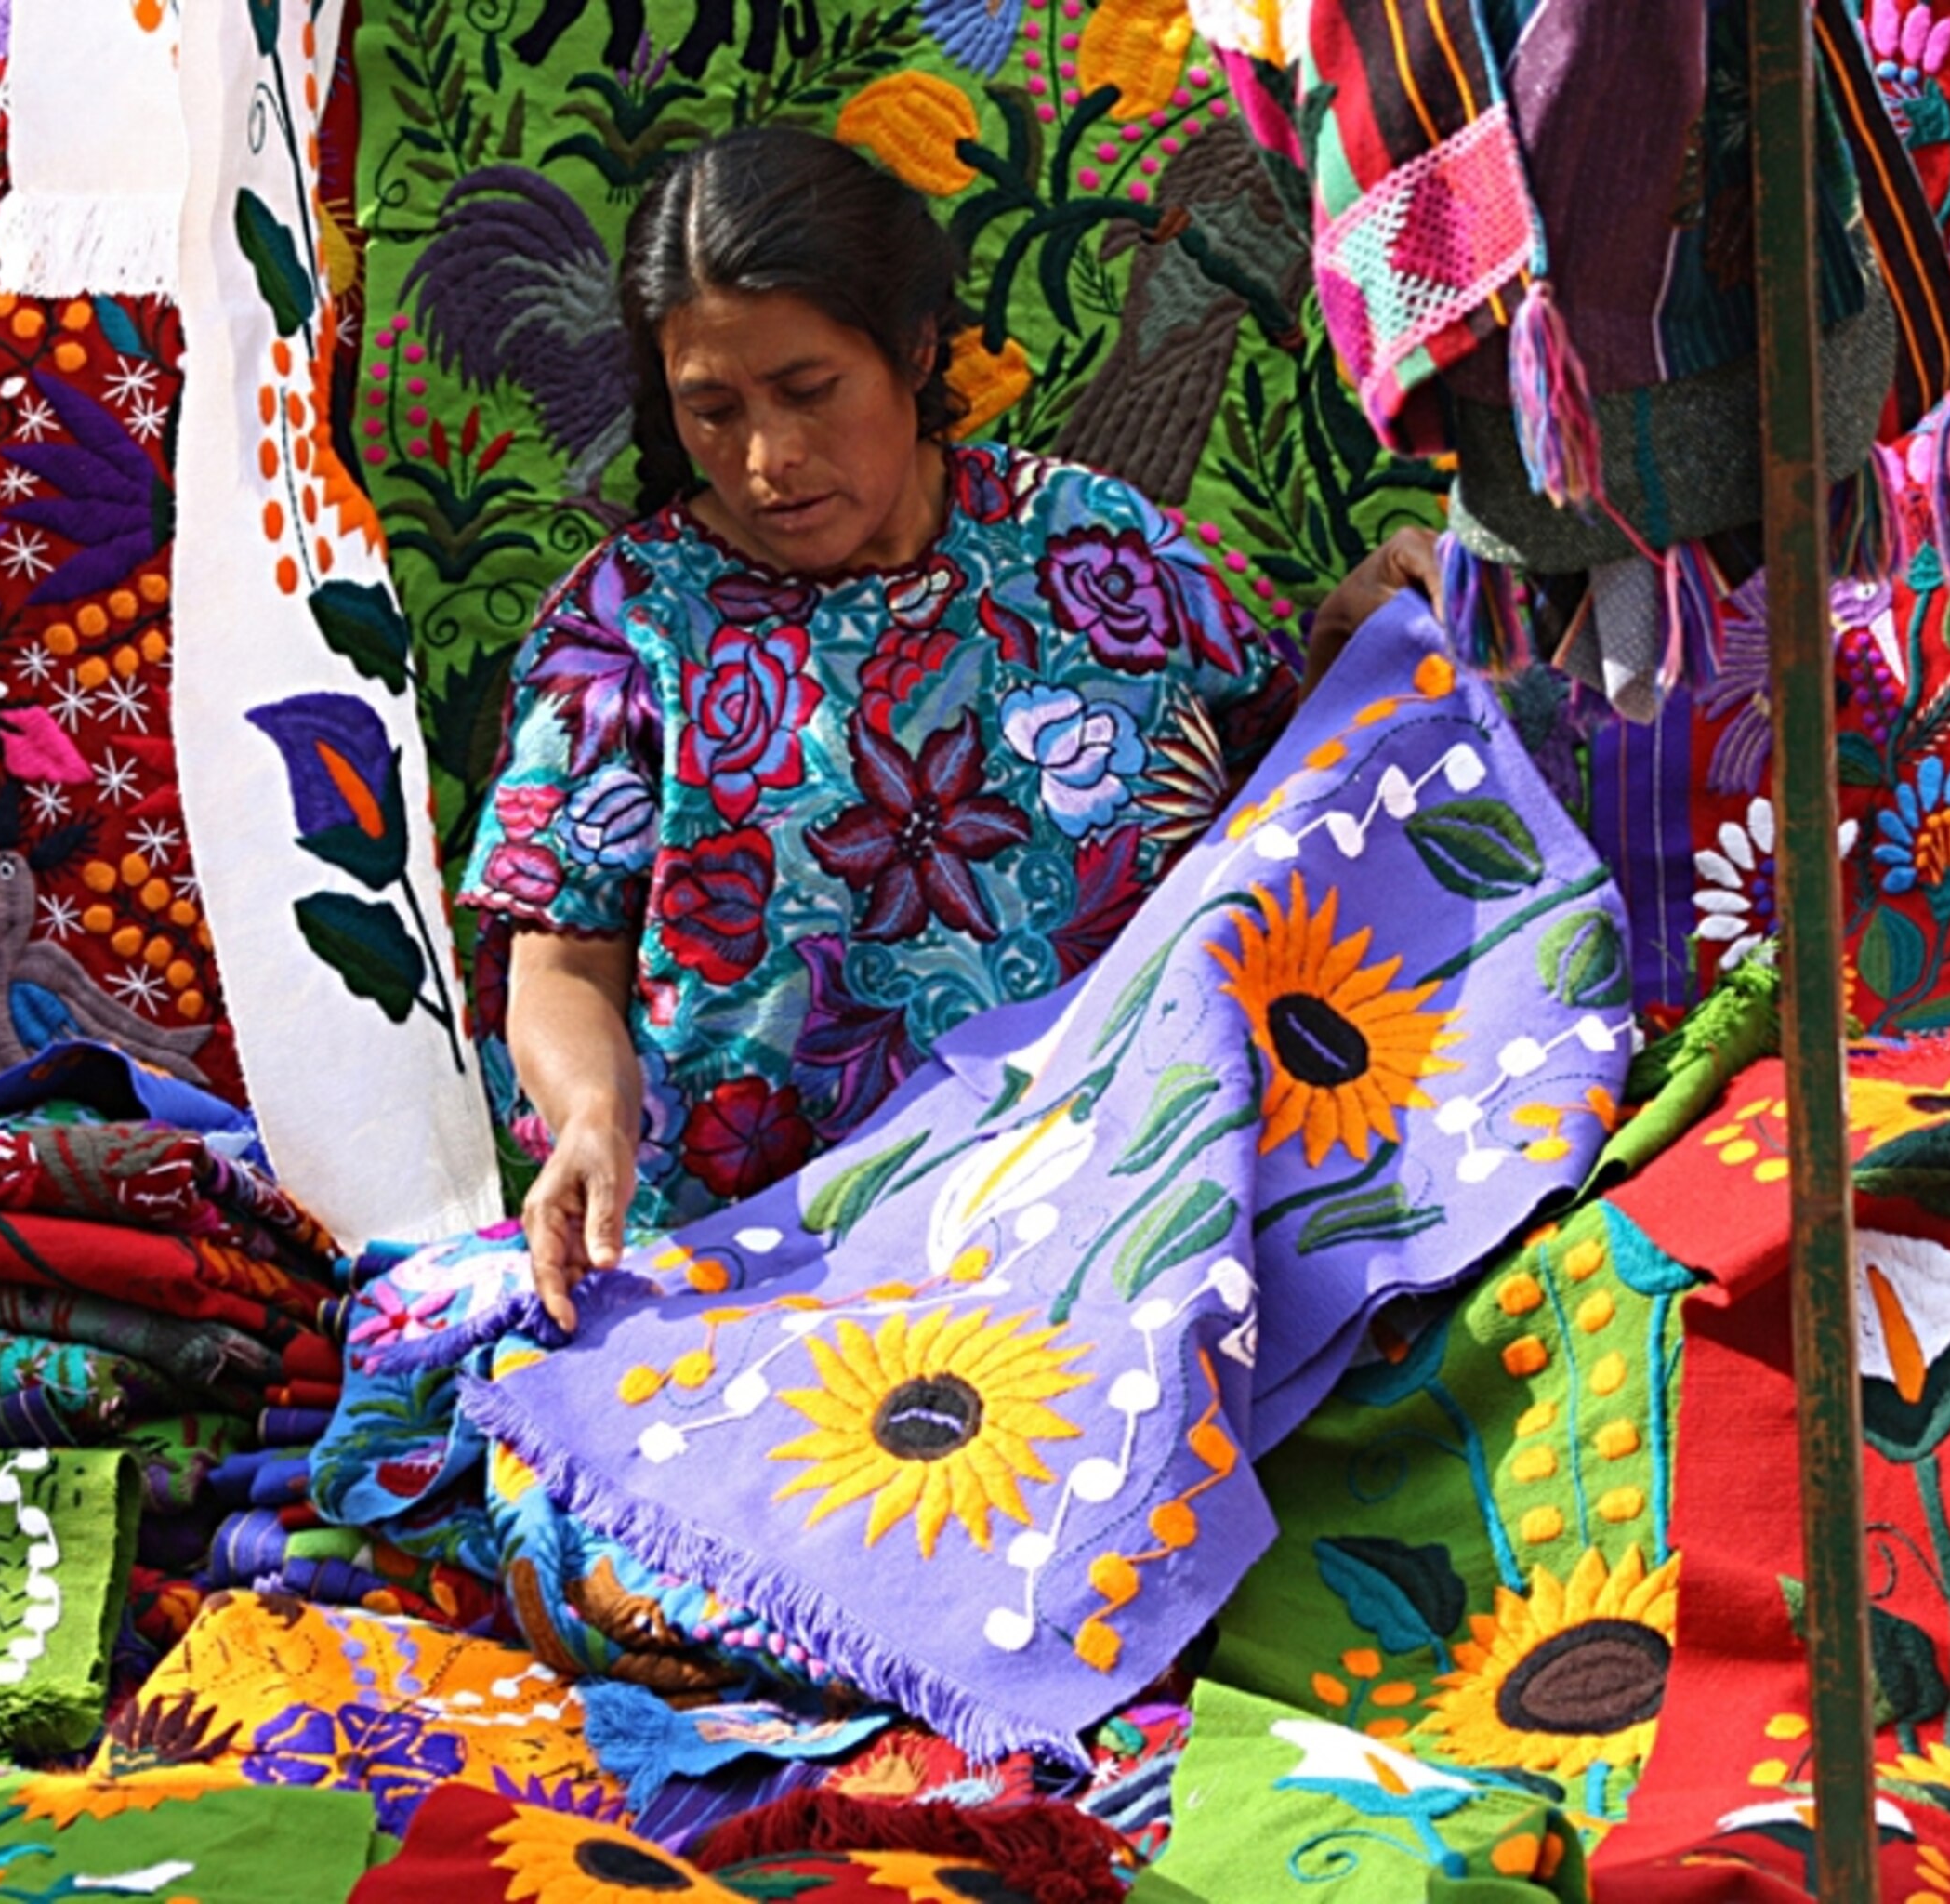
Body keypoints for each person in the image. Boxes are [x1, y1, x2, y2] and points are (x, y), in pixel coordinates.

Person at [459, 126, 1438, 1331]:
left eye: (810, 391)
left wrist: (1359, 646)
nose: (768, 458)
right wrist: (593, 1118)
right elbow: (558, 967)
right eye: (711, 410)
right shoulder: (622, 634)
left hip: (1135, 1237)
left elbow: (1285, 809)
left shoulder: (1099, 551)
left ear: (914, 350)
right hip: (773, 1290)